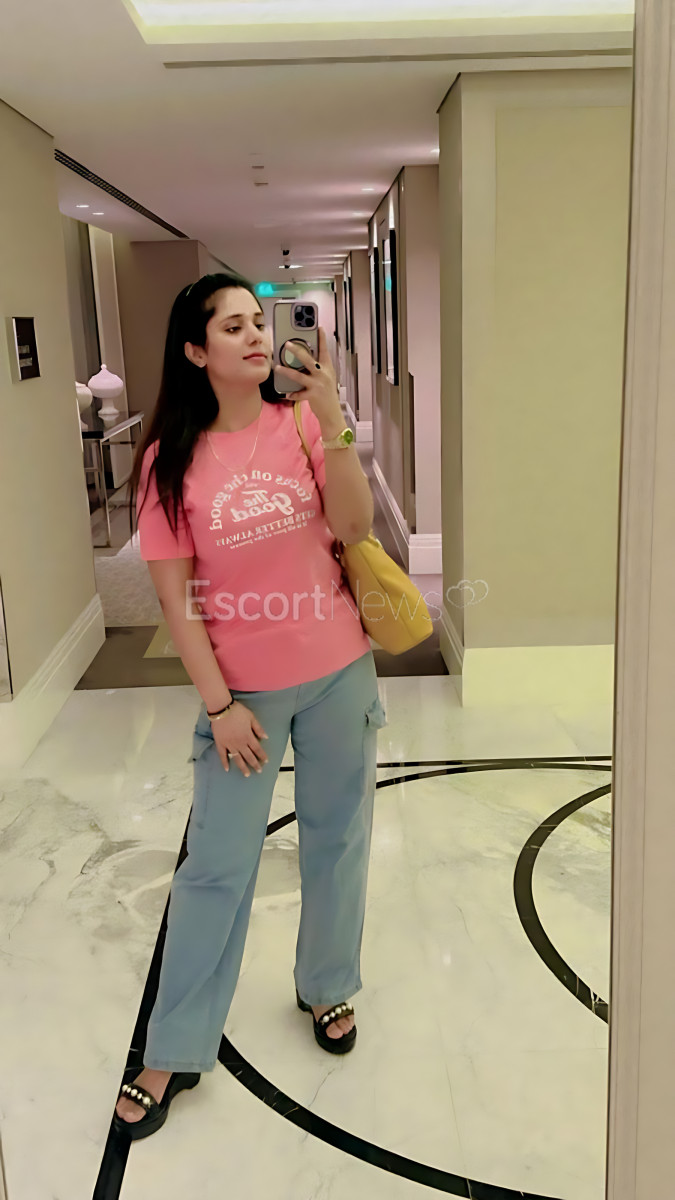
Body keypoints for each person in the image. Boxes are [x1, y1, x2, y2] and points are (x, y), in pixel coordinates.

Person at [113, 272, 387, 1140]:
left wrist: (334, 418)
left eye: (255, 322)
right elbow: (175, 599)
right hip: (245, 694)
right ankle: (174, 1047)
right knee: (216, 867)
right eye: (231, 327)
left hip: (340, 669)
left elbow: (354, 528)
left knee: (338, 839)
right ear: (195, 352)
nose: (255, 336)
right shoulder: (169, 459)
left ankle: (326, 985)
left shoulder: (299, 422)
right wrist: (220, 704)